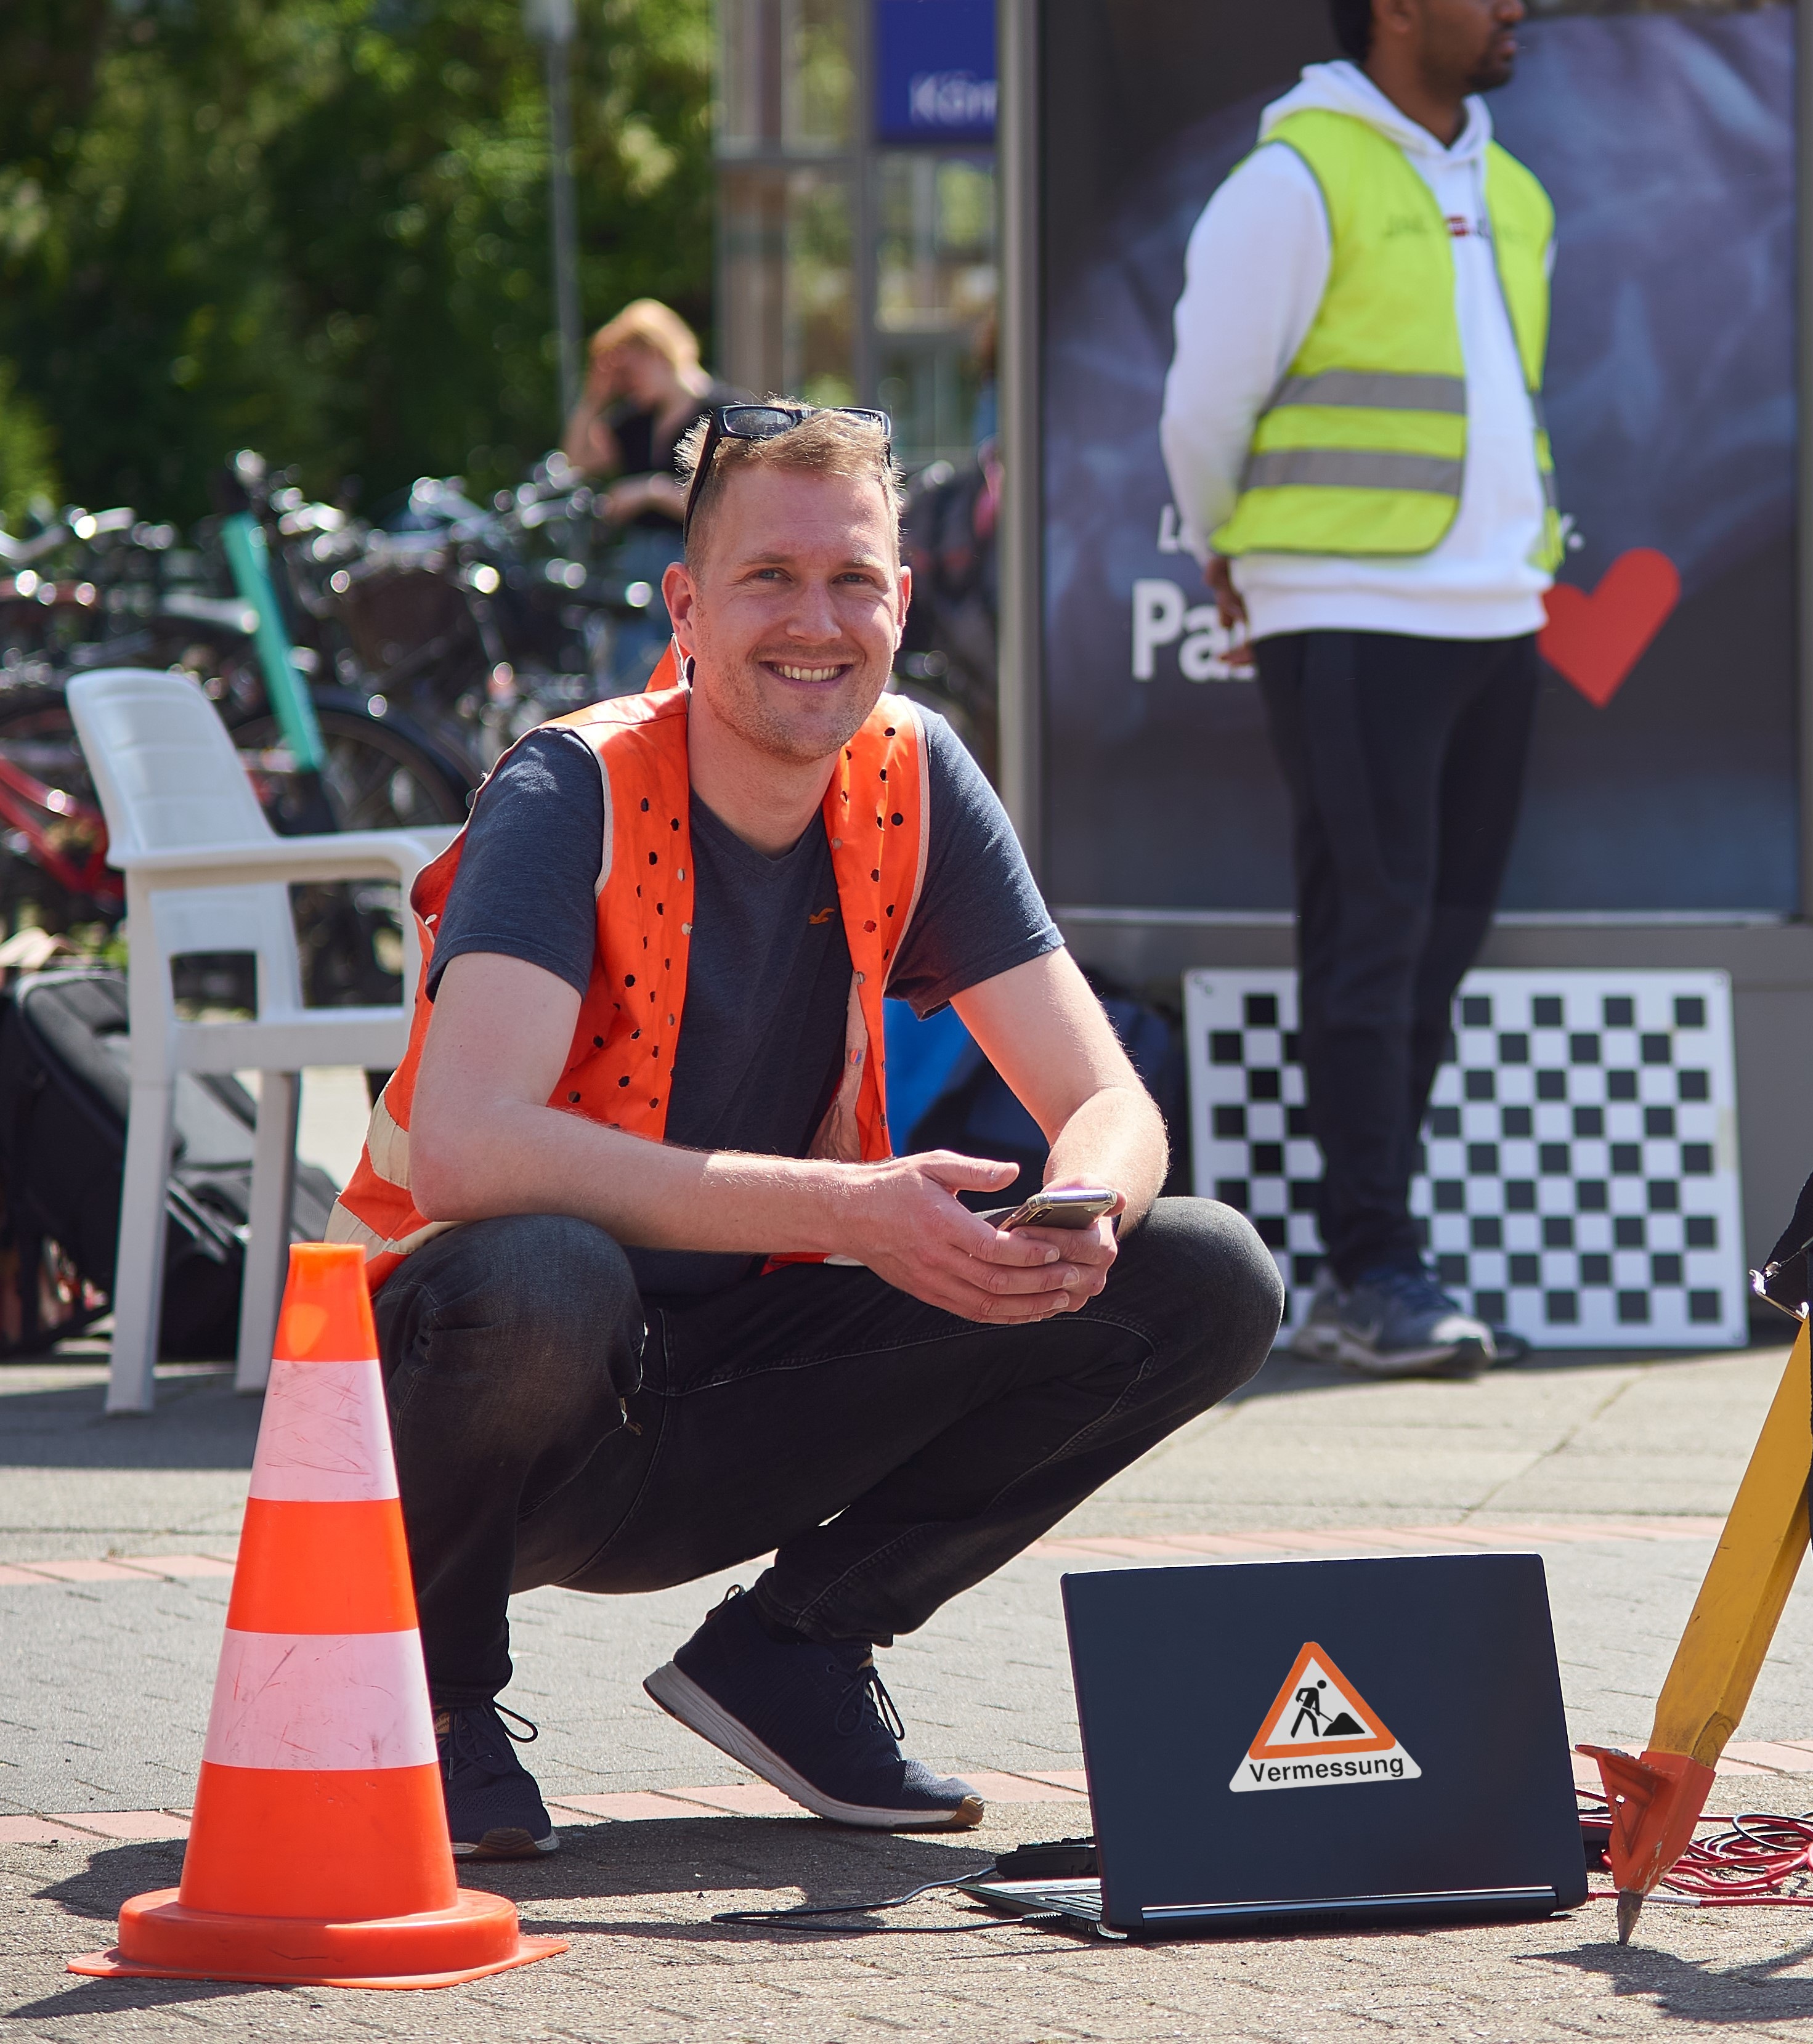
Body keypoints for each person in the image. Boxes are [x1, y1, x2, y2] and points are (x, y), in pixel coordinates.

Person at [325, 402, 1281, 1860]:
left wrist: (1078, 1209)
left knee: (1199, 1270)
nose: (814, 621)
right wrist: (846, 1214)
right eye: (769, 578)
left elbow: (1110, 1106)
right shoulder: (564, 788)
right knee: (545, 1274)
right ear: (686, 608)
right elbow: (463, 1149)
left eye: (852, 580)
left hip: (716, 1401)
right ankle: (430, 1704)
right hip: (443, 1418)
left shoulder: (914, 771)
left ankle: (792, 1654)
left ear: (901, 600)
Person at [1159, 0, 1549, 1379]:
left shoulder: (1511, 186)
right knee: (1374, 942)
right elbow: (1204, 405)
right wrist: (1224, 550)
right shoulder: (1294, 178)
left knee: (1432, 947)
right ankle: (1370, 1265)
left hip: (1499, 612)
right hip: (1347, 606)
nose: (1516, 6)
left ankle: (1377, 1252)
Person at [566, 299, 733, 689]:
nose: (624, 383)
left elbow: (732, 504)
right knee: (628, 685)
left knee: (697, 681)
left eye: (628, 370)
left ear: (657, 354)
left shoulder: (724, 412)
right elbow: (577, 462)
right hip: (637, 570)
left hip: (699, 563)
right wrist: (594, 397)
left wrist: (653, 492)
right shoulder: (634, 421)